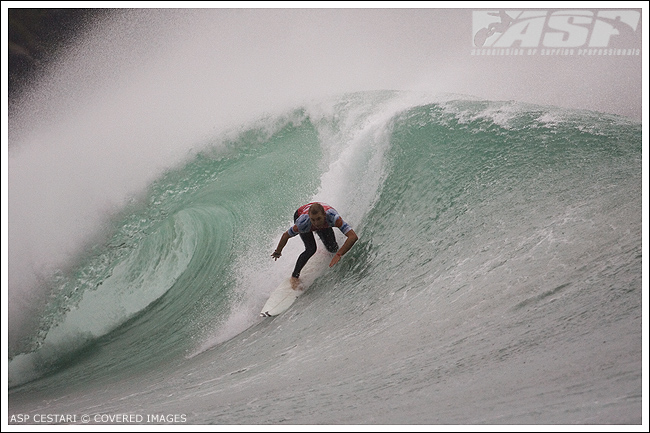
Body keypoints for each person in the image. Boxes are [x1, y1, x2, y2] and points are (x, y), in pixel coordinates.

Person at [271, 202, 358, 289]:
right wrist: (278, 251)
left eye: (318, 219)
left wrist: (339, 254)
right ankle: (294, 277)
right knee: (311, 249)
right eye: (313, 220)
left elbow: (353, 236)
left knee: (333, 248)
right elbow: (286, 235)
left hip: (322, 215)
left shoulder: (333, 218)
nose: (316, 223)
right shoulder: (303, 223)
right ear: (310, 217)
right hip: (300, 213)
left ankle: (325, 246)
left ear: (324, 215)